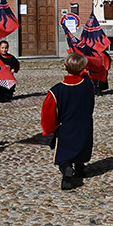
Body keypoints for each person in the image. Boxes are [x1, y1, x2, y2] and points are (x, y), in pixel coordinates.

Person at [39, 52, 97, 191]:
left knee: (65, 154)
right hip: (84, 125)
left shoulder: (57, 90)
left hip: (66, 127)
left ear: (65, 68)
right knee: (81, 146)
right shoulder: (89, 85)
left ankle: (67, 169)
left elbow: (48, 112)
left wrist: (50, 128)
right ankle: (80, 167)